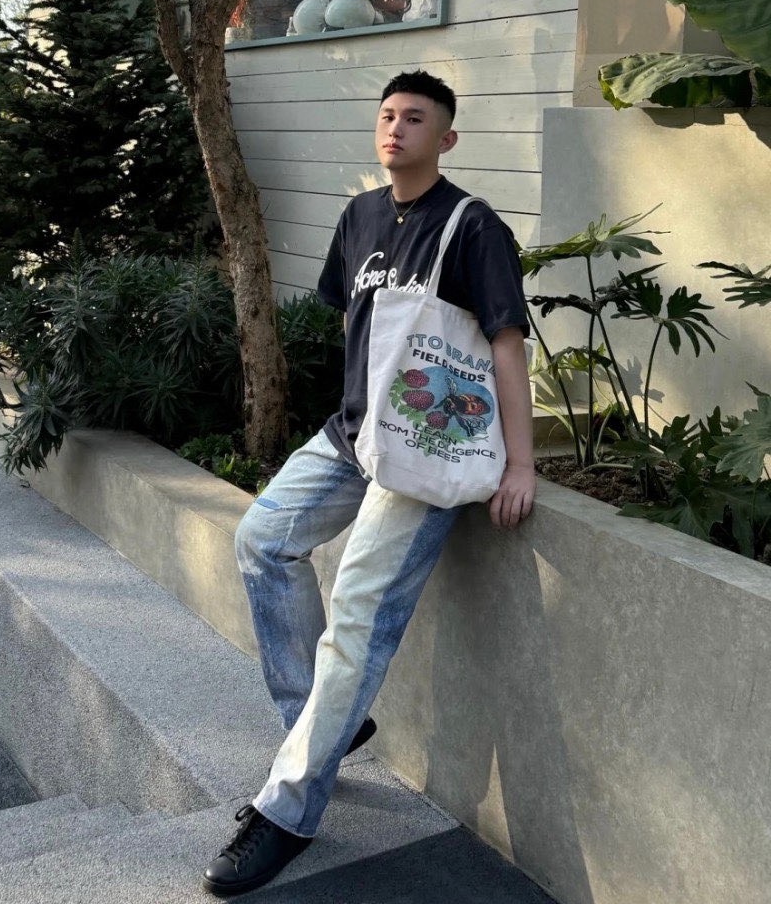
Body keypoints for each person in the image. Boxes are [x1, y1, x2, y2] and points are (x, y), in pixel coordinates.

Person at [202, 69, 535, 897]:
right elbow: (356, 327)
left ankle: (287, 810)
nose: (396, 128)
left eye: (415, 118)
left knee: (356, 617)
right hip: (353, 437)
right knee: (263, 538)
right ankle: (318, 722)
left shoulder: (473, 225)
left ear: (446, 138)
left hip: (423, 451)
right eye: (387, 115)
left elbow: (506, 343)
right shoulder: (358, 217)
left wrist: (522, 463)